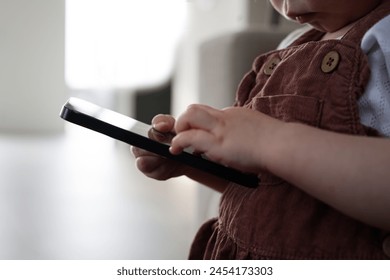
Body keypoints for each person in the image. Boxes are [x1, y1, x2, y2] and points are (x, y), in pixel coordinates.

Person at [132, 0, 390, 259]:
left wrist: (268, 140)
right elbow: (268, 189)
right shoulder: (291, 46)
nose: (288, 8)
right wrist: (192, 160)